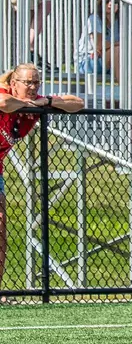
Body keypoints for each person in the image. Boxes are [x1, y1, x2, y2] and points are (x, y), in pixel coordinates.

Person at [0, 64, 83, 285]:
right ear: (14, 83)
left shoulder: (37, 101)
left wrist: (45, 102)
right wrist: (27, 104)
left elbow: (77, 103)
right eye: (27, 82)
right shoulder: (5, 93)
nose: (32, 87)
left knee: (0, 227)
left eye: (36, 82)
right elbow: (4, 103)